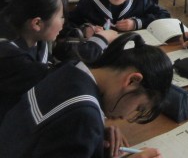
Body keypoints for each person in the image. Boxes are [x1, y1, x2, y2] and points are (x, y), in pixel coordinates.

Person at [0, 33, 171, 158]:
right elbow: (73, 120)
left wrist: (94, 138)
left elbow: (55, 131)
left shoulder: (72, 69)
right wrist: (89, 130)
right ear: (132, 81)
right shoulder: (83, 115)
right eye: (139, 108)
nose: (126, 117)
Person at [0, 0, 65, 122]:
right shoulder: (12, 58)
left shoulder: (37, 40)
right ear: (37, 23)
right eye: (60, 16)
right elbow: (60, 80)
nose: (63, 23)